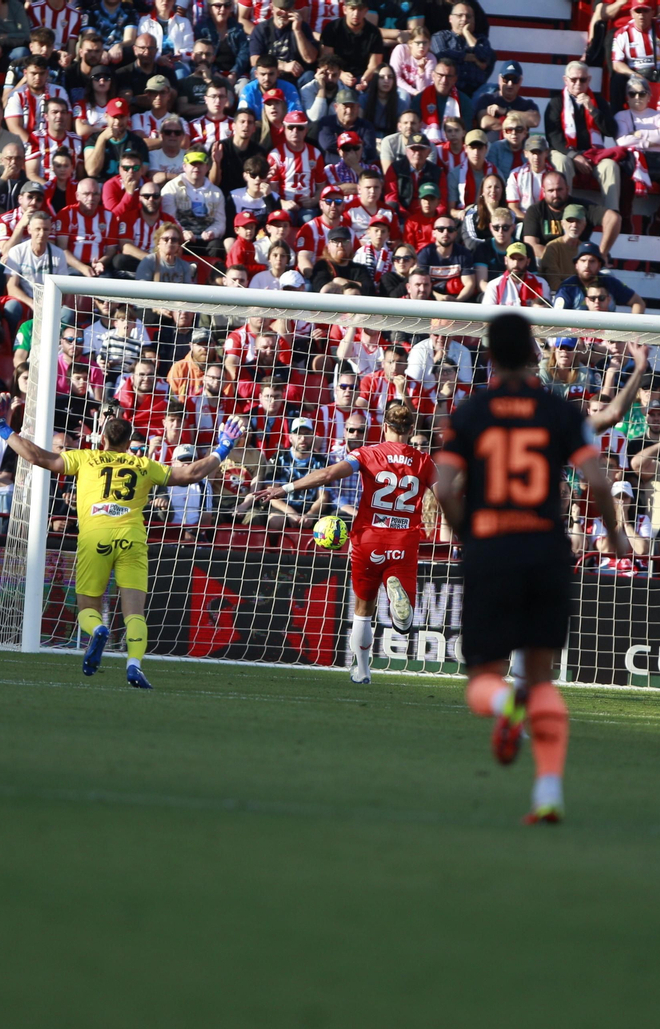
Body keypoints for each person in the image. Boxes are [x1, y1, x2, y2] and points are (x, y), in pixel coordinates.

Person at [433, 311, 627, 824]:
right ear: (534, 354)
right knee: (541, 679)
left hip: (492, 550)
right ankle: (548, 793)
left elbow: (444, 488)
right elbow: (597, 481)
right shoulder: (559, 411)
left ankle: (506, 706)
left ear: (490, 356)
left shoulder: (471, 413)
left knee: (483, 679)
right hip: (545, 550)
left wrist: (470, 531)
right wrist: (613, 535)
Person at [0, 406, 247, 689]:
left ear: (103, 439)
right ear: (129, 443)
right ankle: (134, 666)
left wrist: (3, 427)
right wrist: (223, 447)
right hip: (131, 539)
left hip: (95, 537)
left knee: (87, 606)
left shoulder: (85, 458)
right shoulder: (144, 465)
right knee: (134, 613)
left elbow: (36, 456)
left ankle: (98, 629)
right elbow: (191, 473)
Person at [253, 400, 433, 682]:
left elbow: (327, 474)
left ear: (384, 427)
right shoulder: (424, 461)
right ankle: (400, 609)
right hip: (403, 539)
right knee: (403, 621)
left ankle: (362, 671)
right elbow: (448, 494)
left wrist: (285, 488)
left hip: (368, 537)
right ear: (411, 430)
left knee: (362, 610)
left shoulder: (366, 453)